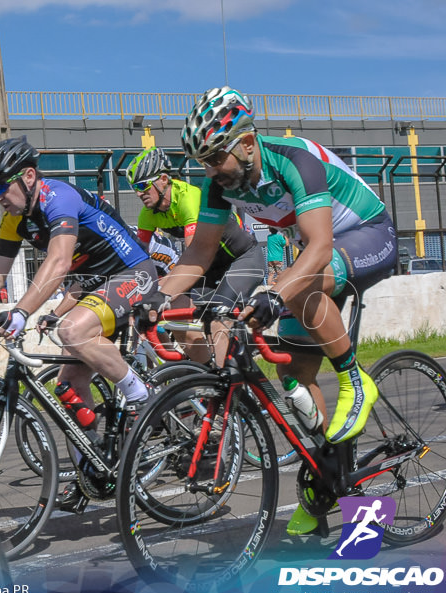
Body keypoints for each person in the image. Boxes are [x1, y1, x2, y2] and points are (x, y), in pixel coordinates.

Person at [136, 86, 397, 535]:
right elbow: (198, 255)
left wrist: (275, 293)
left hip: (369, 236)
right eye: (203, 162)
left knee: (291, 288)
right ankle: (328, 478)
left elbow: (318, 248)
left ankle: (357, 380)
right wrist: (155, 298)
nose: (211, 170)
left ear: (247, 142)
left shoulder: (294, 160)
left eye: (217, 158)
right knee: (292, 373)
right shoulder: (218, 185)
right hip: (319, 258)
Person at [0, 136, 159, 512]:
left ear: (30, 176)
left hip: (132, 273)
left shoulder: (60, 198)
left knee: (72, 330)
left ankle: (140, 395)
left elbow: (58, 263)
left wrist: (21, 312)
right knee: (68, 386)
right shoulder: (14, 220)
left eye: (2, 186)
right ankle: (92, 474)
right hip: (94, 284)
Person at [127, 145, 265, 364]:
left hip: (242, 258)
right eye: (134, 187)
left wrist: (163, 288)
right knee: (177, 316)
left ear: (163, 179)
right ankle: (206, 374)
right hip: (207, 265)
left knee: (217, 319)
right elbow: (137, 257)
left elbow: (194, 252)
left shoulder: (189, 198)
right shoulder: (148, 214)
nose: (138, 193)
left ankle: (225, 386)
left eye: (143, 185)